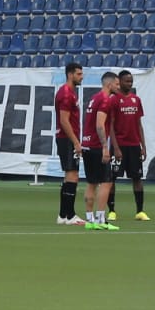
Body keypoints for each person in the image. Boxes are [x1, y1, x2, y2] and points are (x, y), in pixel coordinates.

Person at [109, 70, 150, 221]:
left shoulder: (136, 100)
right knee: (112, 178)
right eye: (127, 81)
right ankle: (111, 211)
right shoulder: (113, 100)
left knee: (137, 178)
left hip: (134, 146)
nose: (130, 84)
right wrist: (116, 147)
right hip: (119, 146)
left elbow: (139, 124)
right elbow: (110, 126)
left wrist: (143, 146)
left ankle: (140, 211)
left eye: (131, 81)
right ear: (119, 81)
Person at [83, 70, 119, 228]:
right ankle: (101, 219)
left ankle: (90, 220)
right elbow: (99, 125)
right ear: (109, 84)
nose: (119, 87)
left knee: (91, 183)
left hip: (86, 144)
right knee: (106, 182)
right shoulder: (105, 100)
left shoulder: (94, 98)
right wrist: (105, 147)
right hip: (97, 146)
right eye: (117, 84)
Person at [53, 63, 85, 226]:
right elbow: (64, 121)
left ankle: (63, 215)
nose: (81, 77)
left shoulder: (69, 92)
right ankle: (71, 215)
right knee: (73, 174)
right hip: (67, 139)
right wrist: (76, 142)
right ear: (70, 74)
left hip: (65, 138)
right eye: (79, 74)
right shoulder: (66, 94)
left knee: (69, 175)